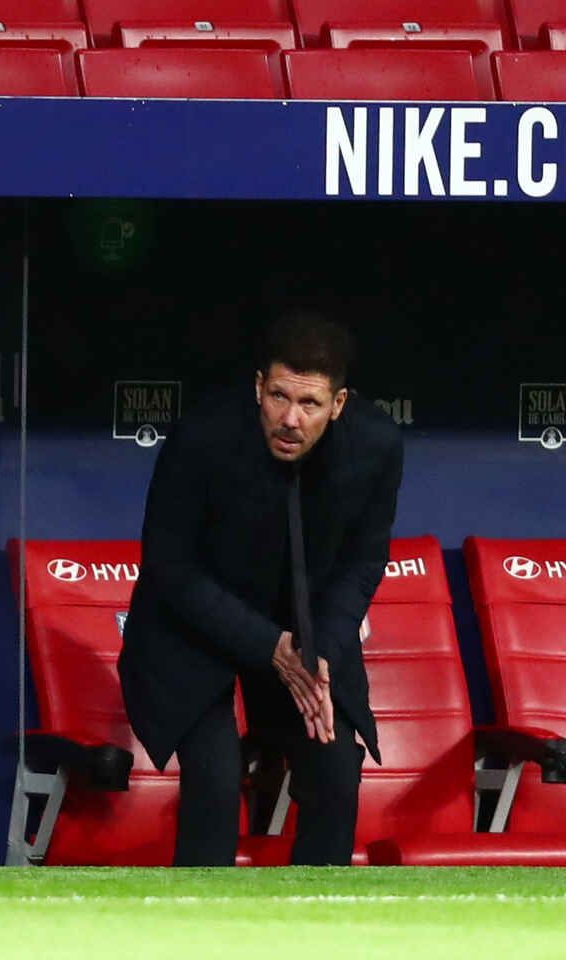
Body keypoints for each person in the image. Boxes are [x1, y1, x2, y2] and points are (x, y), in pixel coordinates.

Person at [118, 314, 404, 866]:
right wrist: (267, 644)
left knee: (336, 767)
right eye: (277, 396)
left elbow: (364, 561)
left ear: (339, 405)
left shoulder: (375, 447)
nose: (290, 419)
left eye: (310, 404)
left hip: (305, 629)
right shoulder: (203, 438)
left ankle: (312, 932)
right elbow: (170, 567)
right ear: (258, 387)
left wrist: (321, 650)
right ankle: (201, 934)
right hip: (195, 627)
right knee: (217, 781)